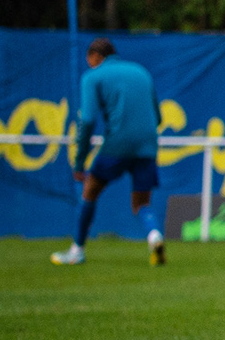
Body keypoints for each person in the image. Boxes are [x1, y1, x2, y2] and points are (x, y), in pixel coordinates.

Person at [52, 38, 164, 266]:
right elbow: (158, 117)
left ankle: (77, 250)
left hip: (118, 143)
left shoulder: (93, 77)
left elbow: (88, 120)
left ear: (95, 56)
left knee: (90, 190)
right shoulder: (141, 71)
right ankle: (155, 236)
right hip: (148, 144)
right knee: (141, 203)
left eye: (89, 60)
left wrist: (79, 163)